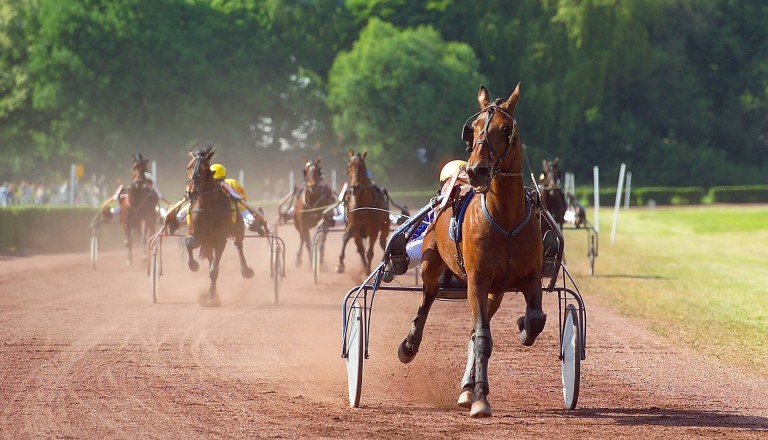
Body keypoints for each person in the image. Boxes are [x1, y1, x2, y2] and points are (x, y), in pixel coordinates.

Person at [386, 160, 468, 278]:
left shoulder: (474, 211)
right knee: (427, 242)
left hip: (461, 249)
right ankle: (399, 261)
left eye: (463, 183)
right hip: (434, 248)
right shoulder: (435, 206)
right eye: (455, 183)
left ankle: (400, 261)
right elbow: (415, 230)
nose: (459, 188)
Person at [210, 163, 267, 235]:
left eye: (220, 180)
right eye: (216, 180)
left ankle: (258, 220)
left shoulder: (232, 183)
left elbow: (243, 197)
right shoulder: (209, 189)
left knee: (253, 226)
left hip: (240, 210)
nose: (219, 183)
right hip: (221, 212)